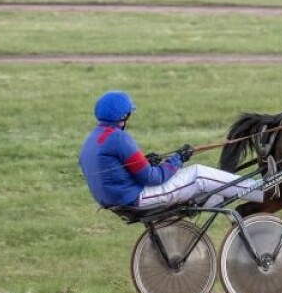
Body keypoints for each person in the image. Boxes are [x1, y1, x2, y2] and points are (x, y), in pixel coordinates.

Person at [79, 90, 264, 211]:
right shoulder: (118, 139)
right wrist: (177, 159)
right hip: (135, 197)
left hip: (117, 198)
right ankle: (263, 192)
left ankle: (212, 199)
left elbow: (120, 168)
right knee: (200, 175)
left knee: (203, 181)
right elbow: (152, 178)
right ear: (125, 116)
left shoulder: (92, 138)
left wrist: (144, 161)